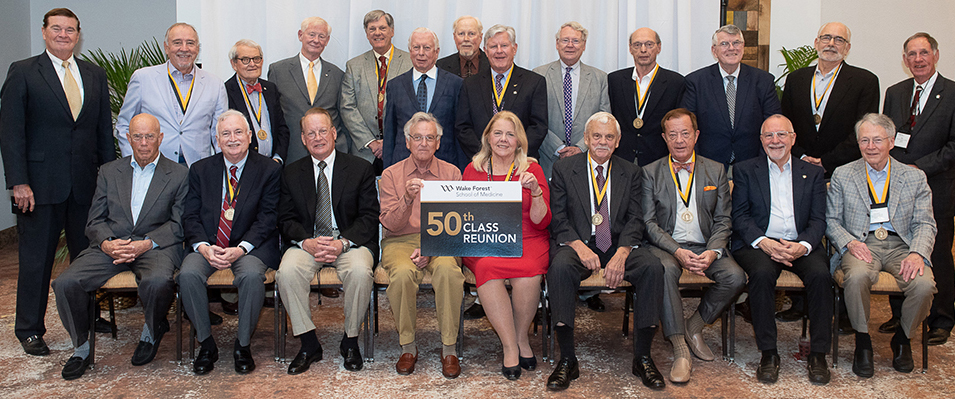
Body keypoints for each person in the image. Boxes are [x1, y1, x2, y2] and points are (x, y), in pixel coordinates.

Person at [0, 8, 115, 357]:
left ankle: (89, 316)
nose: (64, 35)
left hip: (86, 185)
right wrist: (18, 182)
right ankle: (30, 328)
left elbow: (102, 133)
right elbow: (11, 132)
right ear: (44, 31)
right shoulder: (23, 72)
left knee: (88, 257)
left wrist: (110, 183)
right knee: (37, 260)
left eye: (70, 30)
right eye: (57, 29)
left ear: (78, 35)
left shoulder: (94, 74)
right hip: (38, 187)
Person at [51, 113, 188, 379]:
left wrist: (146, 243)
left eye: (150, 136)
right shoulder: (109, 171)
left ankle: (152, 328)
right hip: (112, 246)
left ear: (160, 138)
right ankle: (81, 347)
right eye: (138, 136)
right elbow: (95, 219)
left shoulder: (179, 174)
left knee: (159, 282)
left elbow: (179, 223)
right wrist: (106, 243)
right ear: (128, 138)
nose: (144, 143)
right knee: (66, 283)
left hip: (154, 246)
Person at [546, 112, 665, 391]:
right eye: (597, 136)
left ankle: (643, 357)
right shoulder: (564, 169)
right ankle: (567, 359)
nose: (602, 142)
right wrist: (578, 246)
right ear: (586, 139)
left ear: (618, 141)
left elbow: (636, 219)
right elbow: (559, 218)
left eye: (609, 136)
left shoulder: (632, 171)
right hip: (578, 243)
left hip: (617, 242)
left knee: (652, 267)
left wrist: (622, 253)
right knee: (560, 267)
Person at [827, 113, 937, 377]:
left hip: (902, 246)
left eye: (877, 140)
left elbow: (925, 223)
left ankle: (903, 338)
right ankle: (862, 341)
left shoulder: (914, 177)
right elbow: (830, 221)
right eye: (865, 140)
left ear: (891, 142)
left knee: (924, 285)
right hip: (861, 244)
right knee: (857, 277)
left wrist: (917, 253)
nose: (871, 146)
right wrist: (850, 242)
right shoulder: (843, 175)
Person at [642, 108, 746, 383]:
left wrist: (712, 251)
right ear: (664, 138)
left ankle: (694, 325)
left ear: (696, 135)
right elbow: (649, 223)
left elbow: (724, 218)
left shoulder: (716, 170)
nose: (679, 140)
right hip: (668, 247)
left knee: (735, 277)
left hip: (706, 244)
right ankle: (680, 348)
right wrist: (676, 250)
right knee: (664, 271)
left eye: (685, 133)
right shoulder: (650, 173)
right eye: (672, 134)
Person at [177, 110, 282, 375]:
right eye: (226, 134)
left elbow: (268, 218)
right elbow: (190, 215)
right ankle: (206, 343)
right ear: (217, 139)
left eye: (238, 132)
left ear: (250, 136)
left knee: (250, 277)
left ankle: (242, 344)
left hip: (250, 246)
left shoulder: (268, 169)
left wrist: (240, 249)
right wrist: (202, 246)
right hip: (208, 245)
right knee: (188, 274)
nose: (232, 139)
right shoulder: (200, 170)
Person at [275, 107, 379, 374]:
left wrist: (342, 243)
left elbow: (369, 216)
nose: (318, 137)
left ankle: (351, 340)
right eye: (311, 133)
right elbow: (285, 219)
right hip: (308, 243)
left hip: (349, 242)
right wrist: (305, 241)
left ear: (334, 133)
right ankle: (309, 343)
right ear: (302, 138)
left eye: (323, 131)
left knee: (359, 271)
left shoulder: (360, 168)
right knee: (286, 272)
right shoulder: (291, 172)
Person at [731, 115, 832, 384]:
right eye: (769, 136)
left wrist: (803, 246)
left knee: (822, 276)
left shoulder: (812, 173)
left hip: (800, 243)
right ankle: (769, 353)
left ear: (793, 138)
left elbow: (819, 220)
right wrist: (764, 242)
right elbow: (740, 216)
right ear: (761, 140)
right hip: (760, 244)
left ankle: (819, 354)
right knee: (762, 276)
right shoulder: (744, 170)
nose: (775, 141)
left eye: (781, 135)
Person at [461, 111, 551, 380]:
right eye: (498, 133)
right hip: (485, 240)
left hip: (528, 238)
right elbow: (465, 215)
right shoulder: (473, 170)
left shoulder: (532, 169)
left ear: (519, 141)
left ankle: (521, 338)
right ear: (488, 137)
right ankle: (510, 346)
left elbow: (542, 221)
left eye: (510, 134)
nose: (503, 139)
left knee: (529, 272)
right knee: (487, 266)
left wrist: (535, 191)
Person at [880, 32, 955, 346]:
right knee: (899, 246)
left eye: (923, 53)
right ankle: (900, 311)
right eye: (911, 54)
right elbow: (886, 137)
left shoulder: (951, 93)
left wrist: (918, 168)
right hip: (896, 187)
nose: (918, 59)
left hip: (936, 186)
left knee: (936, 251)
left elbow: (953, 147)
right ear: (904, 58)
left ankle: (941, 318)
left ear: (935, 55)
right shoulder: (895, 92)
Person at [380, 112, 465, 378]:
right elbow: (390, 224)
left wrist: (432, 248)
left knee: (449, 272)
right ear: (407, 142)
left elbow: (459, 224)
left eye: (430, 138)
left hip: (442, 241)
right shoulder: (391, 175)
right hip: (400, 240)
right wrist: (406, 197)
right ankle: (408, 346)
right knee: (403, 274)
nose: (424, 143)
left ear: (438, 143)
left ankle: (449, 348)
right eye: (418, 137)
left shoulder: (452, 173)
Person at [116, 22, 228, 166]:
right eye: (177, 43)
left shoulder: (215, 84)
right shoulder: (143, 78)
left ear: (198, 48)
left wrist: (222, 169)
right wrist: (134, 162)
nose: (184, 48)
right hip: (154, 166)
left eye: (190, 43)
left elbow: (221, 133)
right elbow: (124, 124)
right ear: (166, 48)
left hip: (198, 167)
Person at [781, 22, 879, 177]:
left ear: (847, 48)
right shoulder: (795, 79)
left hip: (844, 170)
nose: (831, 44)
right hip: (799, 168)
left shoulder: (865, 82)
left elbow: (863, 132)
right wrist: (801, 156)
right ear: (816, 43)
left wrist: (826, 162)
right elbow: (785, 123)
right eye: (826, 38)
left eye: (839, 40)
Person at [682, 25, 780, 168]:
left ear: (743, 47)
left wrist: (763, 161)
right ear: (714, 51)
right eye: (724, 44)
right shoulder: (696, 82)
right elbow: (687, 127)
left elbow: (774, 124)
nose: (731, 48)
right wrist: (697, 163)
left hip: (753, 164)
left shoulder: (763, 81)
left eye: (736, 43)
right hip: (709, 165)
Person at [455, 25, 548, 160]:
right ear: (486, 51)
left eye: (504, 45)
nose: (499, 51)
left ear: (514, 48)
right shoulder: (470, 85)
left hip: (521, 163)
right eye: (493, 47)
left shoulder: (534, 82)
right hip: (482, 163)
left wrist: (514, 154)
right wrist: (484, 154)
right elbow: (463, 127)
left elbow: (538, 126)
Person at [533, 21, 610, 181]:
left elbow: (604, 120)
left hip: (587, 159)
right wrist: (559, 148)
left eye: (575, 41)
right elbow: (534, 120)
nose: (570, 45)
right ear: (557, 43)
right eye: (565, 40)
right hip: (548, 159)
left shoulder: (599, 78)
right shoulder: (538, 75)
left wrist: (580, 147)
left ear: (584, 45)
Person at [382, 28, 466, 170]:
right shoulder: (395, 85)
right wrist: (387, 170)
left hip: (444, 165)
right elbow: (390, 133)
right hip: (403, 165)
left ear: (436, 52)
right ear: (410, 51)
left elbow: (459, 131)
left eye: (427, 48)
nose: (421, 53)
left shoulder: (455, 84)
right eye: (416, 47)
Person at [268, 17, 348, 164]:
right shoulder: (278, 71)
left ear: (327, 40)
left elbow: (343, 115)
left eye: (321, 36)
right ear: (300, 35)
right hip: (291, 153)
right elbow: (272, 116)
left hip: (330, 155)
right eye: (311, 34)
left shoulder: (338, 74)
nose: (316, 40)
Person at [340, 10, 412, 172]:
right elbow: (347, 107)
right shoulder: (354, 65)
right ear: (366, 33)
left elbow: (413, 107)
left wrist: (390, 140)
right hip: (364, 151)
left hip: (399, 148)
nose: (377, 33)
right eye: (372, 29)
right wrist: (370, 142)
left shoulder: (410, 62)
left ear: (392, 31)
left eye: (382, 28)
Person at [609, 27, 685, 166]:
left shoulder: (676, 82)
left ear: (659, 47)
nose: (643, 50)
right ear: (630, 49)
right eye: (637, 45)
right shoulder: (614, 80)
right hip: (621, 159)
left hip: (659, 160)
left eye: (649, 44)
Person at [225, 39, 290, 163]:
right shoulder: (226, 91)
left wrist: (278, 159)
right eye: (245, 60)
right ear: (234, 64)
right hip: (244, 167)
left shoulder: (271, 89)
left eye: (256, 59)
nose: (252, 64)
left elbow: (282, 128)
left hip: (273, 167)